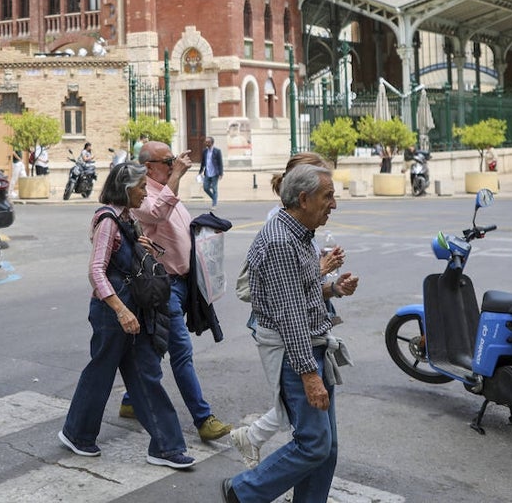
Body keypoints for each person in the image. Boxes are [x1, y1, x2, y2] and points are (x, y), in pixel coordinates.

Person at [221, 164, 355, 503]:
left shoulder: (298, 233)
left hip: (312, 346)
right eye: (328, 196)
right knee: (314, 444)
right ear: (304, 198)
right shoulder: (282, 240)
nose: (334, 204)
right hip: (297, 352)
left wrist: (334, 290)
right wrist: (310, 375)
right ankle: (243, 491)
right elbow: (290, 314)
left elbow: (305, 292)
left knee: (326, 445)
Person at [58, 162, 195, 470]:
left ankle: (165, 446)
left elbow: (125, 260)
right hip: (114, 312)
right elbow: (96, 270)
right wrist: (120, 311)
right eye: (141, 187)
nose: (145, 193)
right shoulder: (107, 219)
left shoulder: (127, 217)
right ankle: (78, 433)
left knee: (144, 373)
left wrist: (143, 247)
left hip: (133, 310)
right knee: (103, 372)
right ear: (126, 188)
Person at [120, 141, 232, 443]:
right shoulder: (142, 195)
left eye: (173, 160)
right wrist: (176, 176)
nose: (173, 165)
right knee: (181, 352)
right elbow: (155, 216)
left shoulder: (167, 190)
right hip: (164, 286)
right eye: (167, 161)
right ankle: (203, 418)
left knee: (157, 345)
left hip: (183, 282)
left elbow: (175, 224)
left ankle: (131, 399)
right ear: (148, 166)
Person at [199, 136, 224, 207]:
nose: (206, 143)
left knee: (214, 188)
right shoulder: (204, 151)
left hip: (215, 173)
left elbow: (220, 163)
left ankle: (214, 204)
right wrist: (200, 171)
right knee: (205, 188)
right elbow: (203, 162)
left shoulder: (217, 151)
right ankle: (214, 198)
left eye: (207, 142)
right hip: (207, 173)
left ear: (211, 143)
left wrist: (221, 173)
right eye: (206, 142)